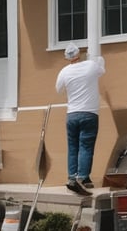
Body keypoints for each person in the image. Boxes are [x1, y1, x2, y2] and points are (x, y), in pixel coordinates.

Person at [55, 43, 105, 196]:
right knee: (86, 146)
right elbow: (102, 70)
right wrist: (96, 58)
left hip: (72, 114)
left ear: (67, 58)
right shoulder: (91, 66)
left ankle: (72, 177)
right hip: (89, 113)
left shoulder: (64, 71)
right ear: (79, 54)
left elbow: (58, 90)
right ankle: (82, 178)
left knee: (73, 147)